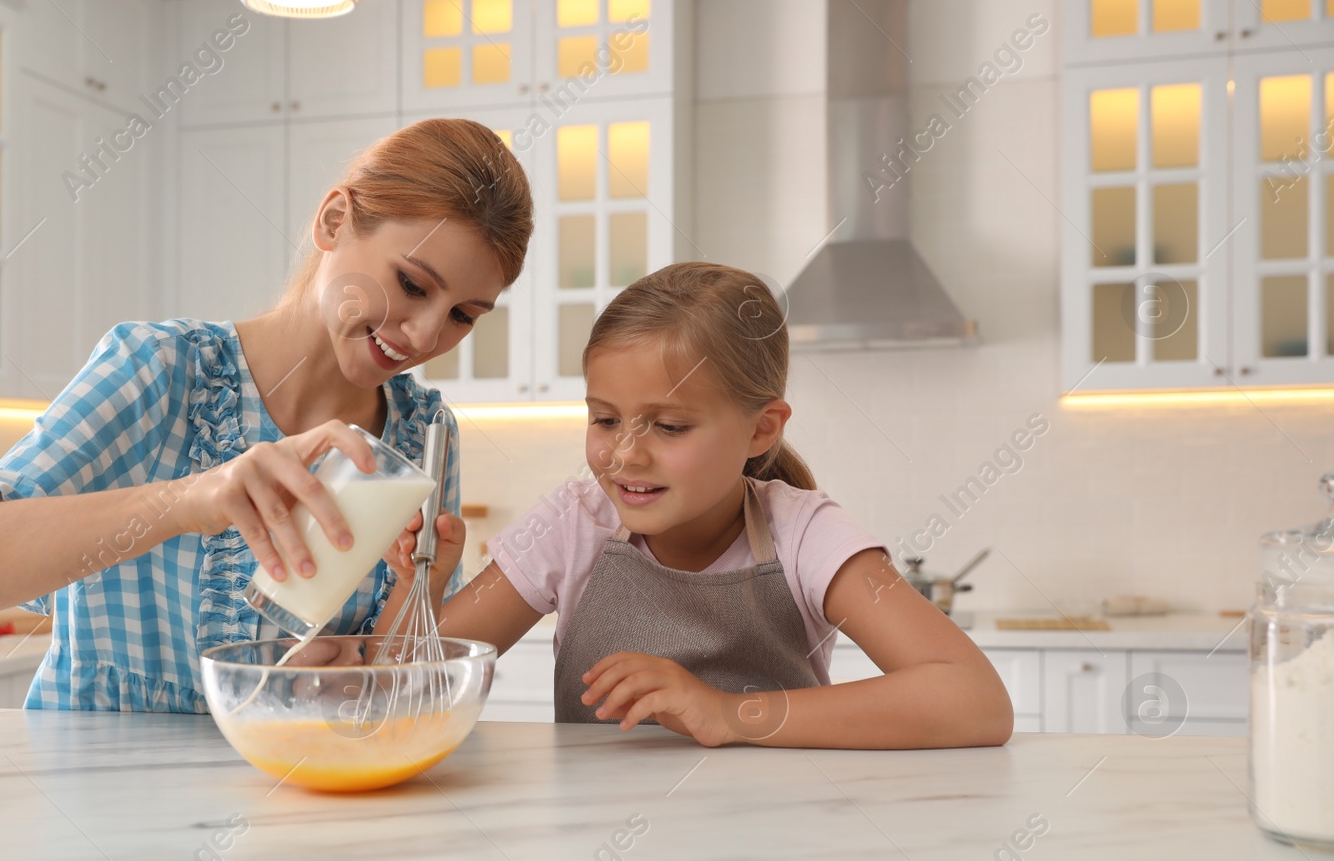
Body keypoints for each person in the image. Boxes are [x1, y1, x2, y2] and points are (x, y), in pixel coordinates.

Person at [0, 119, 533, 712]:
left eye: (463, 316)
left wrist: (395, 618)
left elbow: (393, 690)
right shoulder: (161, 369)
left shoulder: (424, 434)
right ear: (335, 221)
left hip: (299, 803)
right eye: (414, 284)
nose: (424, 335)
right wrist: (193, 498)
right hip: (98, 801)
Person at [377, 262, 1013, 748]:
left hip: (776, 852)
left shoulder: (802, 533)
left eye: (670, 427)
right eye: (604, 419)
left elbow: (975, 700)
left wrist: (727, 713)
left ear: (762, 430)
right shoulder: (576, 523)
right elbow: (393, 699)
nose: (624, 455)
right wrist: (418, 587)